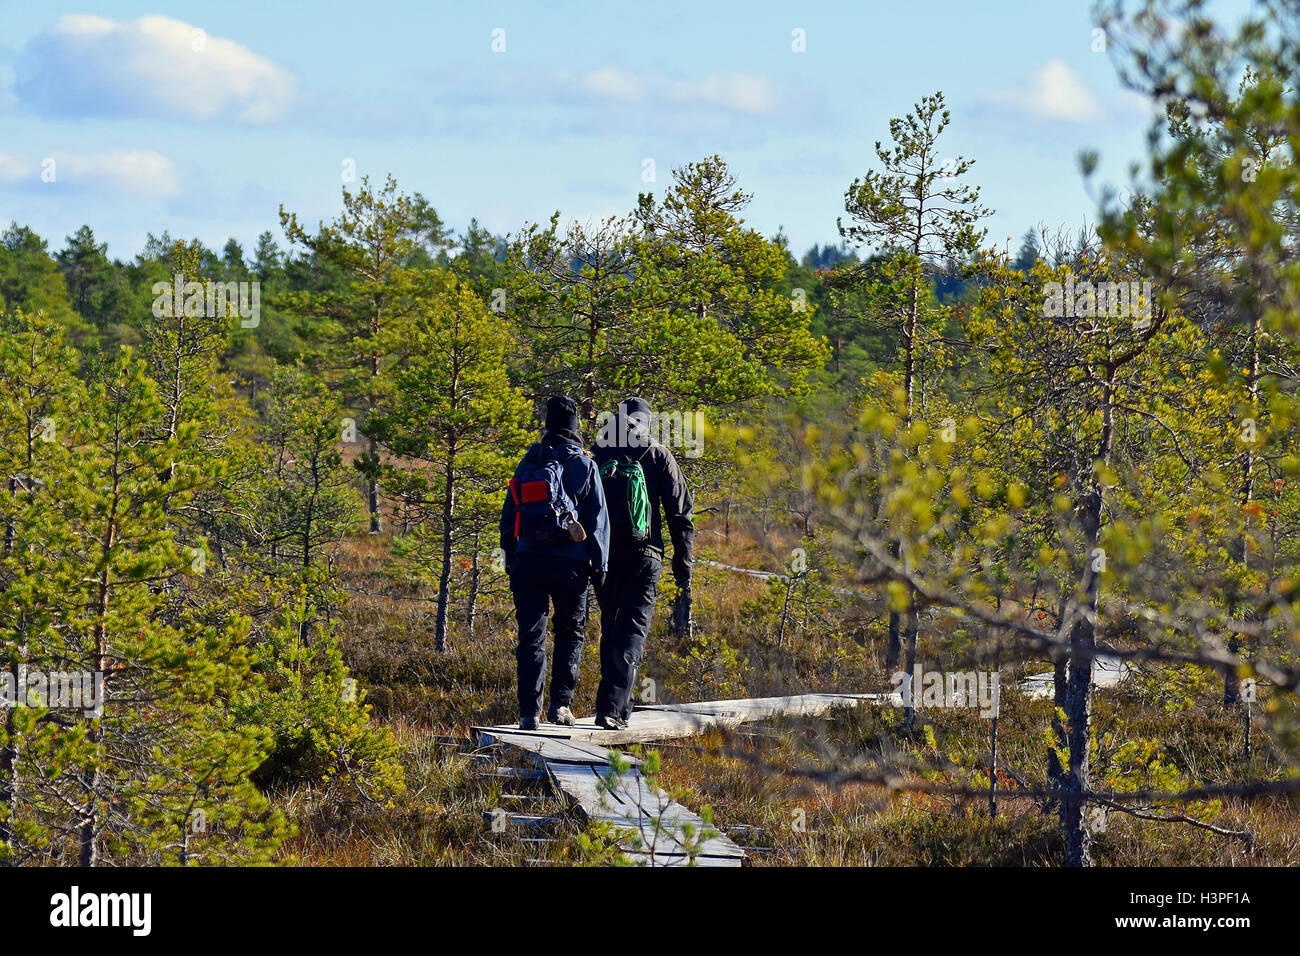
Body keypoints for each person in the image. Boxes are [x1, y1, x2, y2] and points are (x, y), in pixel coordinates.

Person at [500, 396, 608, 730]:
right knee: (569, 632)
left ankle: (528, 713)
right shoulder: (585, 464)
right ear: (575, 427)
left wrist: (510, 557)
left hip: (528, 560)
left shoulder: (529, 461)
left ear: (548, 425)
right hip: (570, 565)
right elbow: (598, 519)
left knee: (531, 636)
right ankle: (561, 706)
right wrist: (600, 565)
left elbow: (509, 515)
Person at [591, 397, 695, 730]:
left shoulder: (600, 451)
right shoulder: (657, 453)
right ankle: (613, 709)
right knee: (632, 631)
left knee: (611, 627)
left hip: (605, 556)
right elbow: (680, 514)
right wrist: (684, 565)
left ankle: (613, 705)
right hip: (645, 554)